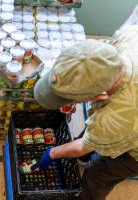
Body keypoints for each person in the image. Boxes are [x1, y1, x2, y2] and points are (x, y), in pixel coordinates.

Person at [32, 7, 138, 200]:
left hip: (134, 141)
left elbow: (84, 145)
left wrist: (52, 153)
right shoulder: (128, 37)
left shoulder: (114, 119)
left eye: (71, 99)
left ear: (101, 96)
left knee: (98, 174)